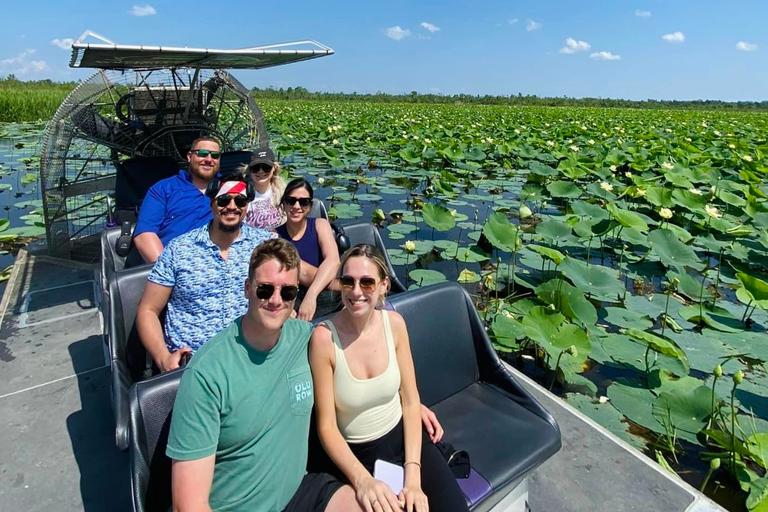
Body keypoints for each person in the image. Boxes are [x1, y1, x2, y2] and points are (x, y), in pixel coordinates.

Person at [166, 238, 363, 512]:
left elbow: (358, 359)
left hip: (298, 493)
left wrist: (403, 400)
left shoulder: (304, 338)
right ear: (247, 289)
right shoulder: (207, 374)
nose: (275, 300)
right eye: (265, 290)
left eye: (287, 292)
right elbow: (189, 506)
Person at [309, 245, 469, 512]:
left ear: (384, 286)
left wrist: (413, 477)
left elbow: (409, 400)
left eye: (367, 282)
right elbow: (326, 427)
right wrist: (362, 481)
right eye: (348, 281)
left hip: (405, 437)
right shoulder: (324, 339)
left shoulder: (394, 325)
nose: (356, 291)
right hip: (358, 455)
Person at [136, 173, 275, 372]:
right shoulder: (179, 249)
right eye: (224, 200)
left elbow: (293, 277)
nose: (232, 206)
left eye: (241, 201)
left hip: (252, 357)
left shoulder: (263, 245)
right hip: (196, 364)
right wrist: (163, 357)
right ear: (211, 203)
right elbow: (148, 310)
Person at [133, 136, 222, 263]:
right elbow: (145, 235)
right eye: (202, 154)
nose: (209, 159)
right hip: (168, 268)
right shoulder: (163, 189)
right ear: (189, 156)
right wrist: (168, 271)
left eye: (215, 156)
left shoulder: (229, 189)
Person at [277, 178, 340, 320]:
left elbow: (333, 260)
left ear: (310, 206)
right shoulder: (275, 236)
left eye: (303, 202)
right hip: (294, 293)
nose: (297, 206)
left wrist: (311, 295)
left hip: (320, 291)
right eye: (291, 201)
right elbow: (302, 272)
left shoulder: (320, 225)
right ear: (283, 204)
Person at [243, 146, 286, 230]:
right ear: (250, 170)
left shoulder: (284, 193)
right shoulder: (243, 194)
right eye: (256, 167)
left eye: (266, 167)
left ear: (274, 168)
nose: (261, 171)